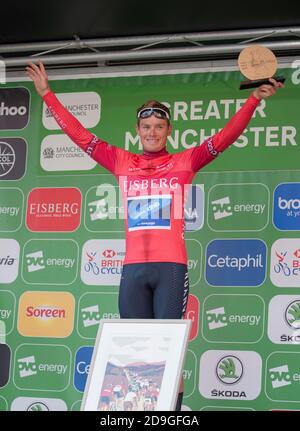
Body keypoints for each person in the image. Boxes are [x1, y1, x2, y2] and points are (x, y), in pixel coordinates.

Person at [26, 61, 283, 410]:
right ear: (138, 129)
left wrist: (253, 99)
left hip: (170, 269)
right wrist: (47, 94)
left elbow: (224, 138)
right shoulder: (120, 161)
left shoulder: (184, 163)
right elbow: (80, 135)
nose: (152, 132)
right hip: (133, 271)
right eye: (146, 126)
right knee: (135, 358)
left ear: (168, 130)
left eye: (158, 126)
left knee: (169, 351)